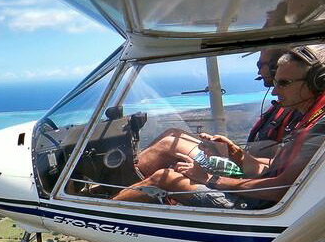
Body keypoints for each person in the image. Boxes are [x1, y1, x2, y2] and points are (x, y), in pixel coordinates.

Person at [114, 45, 325, 209]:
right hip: (259, 191)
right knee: (175, 159)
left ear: (318, 81)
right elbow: (271, 169)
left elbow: (278, 188)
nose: (274, 91)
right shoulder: (306, 118)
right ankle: (117, 194)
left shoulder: (318, 129)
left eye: (284, 83)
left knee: (165, 177)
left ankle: (104, 211)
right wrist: (236, 154)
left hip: (260, 206)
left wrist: (212, 179)